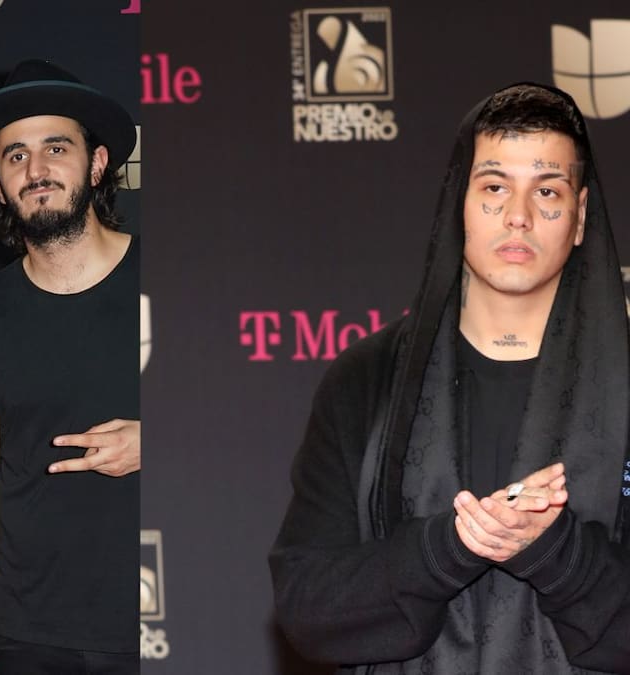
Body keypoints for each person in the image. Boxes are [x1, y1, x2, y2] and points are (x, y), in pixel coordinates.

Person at [270, 83, 630, 673]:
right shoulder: (366, 381)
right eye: (494, 187)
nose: (518, 216)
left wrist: (557, 554)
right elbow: (309, 607)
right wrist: (449, 548)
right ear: (458, 201)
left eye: (547, 190)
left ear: (580, 216)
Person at [0, 59, 141, 674]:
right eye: (16, 156)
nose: (36, 170)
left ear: (97, 164)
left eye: (56, 147)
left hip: (162, 620)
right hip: (25, 636)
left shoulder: (179, 278)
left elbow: (253, 432)